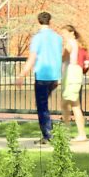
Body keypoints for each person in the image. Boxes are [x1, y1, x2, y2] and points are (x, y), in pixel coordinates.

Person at [25, 10, 64, 143]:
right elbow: (59, 56)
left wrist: (22, 74)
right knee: (42, 105)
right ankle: (49, 131)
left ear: (39, 21)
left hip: (42, 75)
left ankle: (48, 135)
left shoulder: (37, 38)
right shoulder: (58, 38)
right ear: (49, 21)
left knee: (42, 106)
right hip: (54, 76)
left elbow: (32, 57)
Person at [62, 23, 89, 139]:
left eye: (64, 33)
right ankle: (68, 132)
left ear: (71, 33)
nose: (63, 35)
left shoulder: (71, 43)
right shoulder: (80, 45)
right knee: (68, 104)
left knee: (73, 105)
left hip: (71, 75)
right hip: (76, 74)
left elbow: (63, 56)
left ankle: (77, 133)